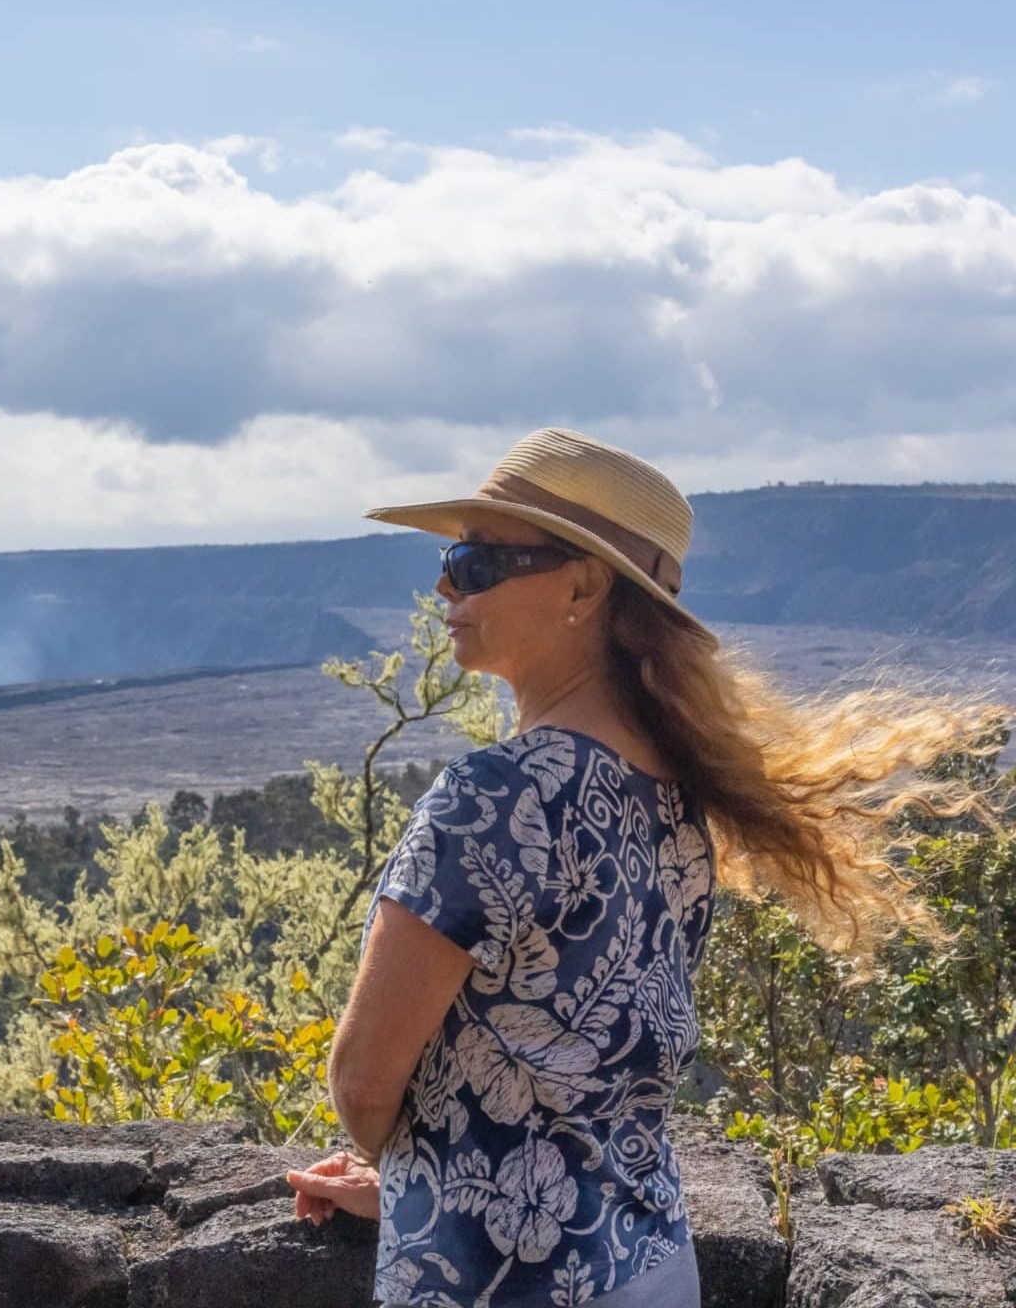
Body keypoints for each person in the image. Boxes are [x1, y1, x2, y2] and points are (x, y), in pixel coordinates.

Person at [285, 426, 1004, 1308]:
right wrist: (417, 1171)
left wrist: (418, 1164)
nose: (445, 583)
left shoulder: (496, 795)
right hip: (649, 1265)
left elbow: (363, 1085)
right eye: (450, 557)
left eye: (478, 562)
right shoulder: (677, 802)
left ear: (583, 584)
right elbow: (580, 1071)